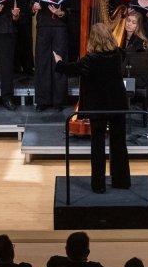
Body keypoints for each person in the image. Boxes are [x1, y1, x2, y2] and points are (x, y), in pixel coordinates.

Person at [52, 24, 127, 193]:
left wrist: (59, 62)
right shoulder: (118, 55)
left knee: (98, 144)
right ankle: (121, 181)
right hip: (118, 105)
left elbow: (72, 69)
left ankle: (99, 185)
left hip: (98, 107)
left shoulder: (91, 59)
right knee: (119, 143)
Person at [31, 0, 71, 111]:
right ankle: (43, 100)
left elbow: (69, 11)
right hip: (43, 28)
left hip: (60, 29)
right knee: (43, 63)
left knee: (58, 63)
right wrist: (34, 7)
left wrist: (60, 12)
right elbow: (31, 6)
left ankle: (58, 101)